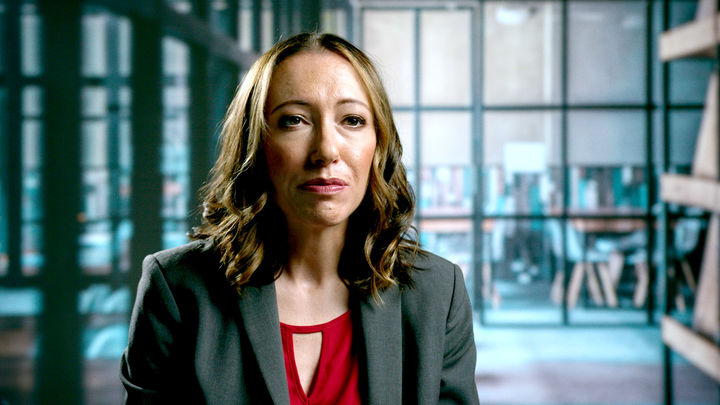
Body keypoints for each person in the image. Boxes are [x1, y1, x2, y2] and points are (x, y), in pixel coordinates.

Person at [120, 32, 479, 405]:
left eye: (352, 120)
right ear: (255, 143)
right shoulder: (177, 289)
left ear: (379, 143)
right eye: (294, 120)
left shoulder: (438, 293)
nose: (326, 150)